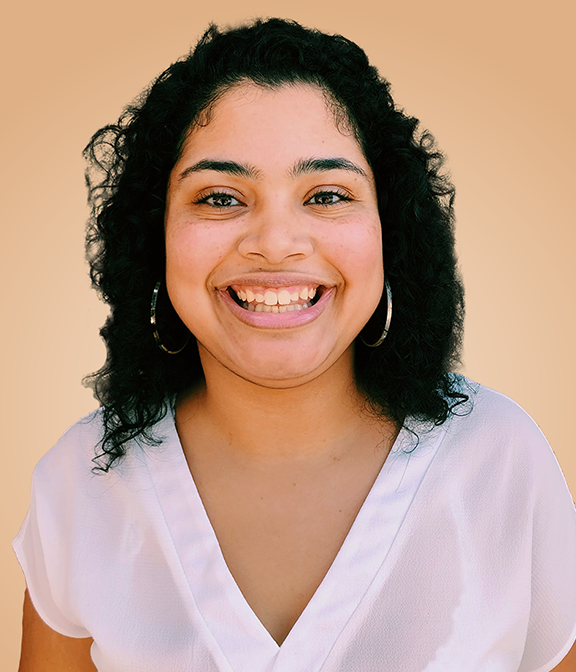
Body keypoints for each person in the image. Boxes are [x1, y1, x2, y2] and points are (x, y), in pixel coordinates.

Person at [13, 18, 576, 672]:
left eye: (327, 195)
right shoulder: (80, 483)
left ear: (390, 232)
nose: (276, 242)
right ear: (154, 237)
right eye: (220, 197)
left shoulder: (501, 459)